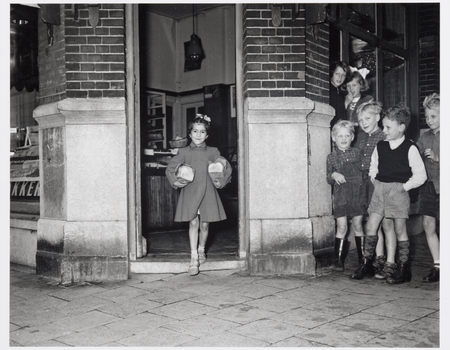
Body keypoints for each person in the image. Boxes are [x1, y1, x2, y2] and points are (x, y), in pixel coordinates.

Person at [350, 103, 427, 283]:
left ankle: (402, 268)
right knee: (371, 226)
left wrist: (403, 187)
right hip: (380, 190)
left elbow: (420, 176)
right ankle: (368, 263)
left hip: (398, 192)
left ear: (401, 127)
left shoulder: (410, 148)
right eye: (383, 126)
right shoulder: (381, 146)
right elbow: (373, 167)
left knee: (399, 229)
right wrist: (375, 180)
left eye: (388, 127)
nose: (384, 130)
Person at [165, 114, 232, 276]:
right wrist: (175, 181)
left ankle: (202, 249)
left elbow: (225, 166)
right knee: (193, 223)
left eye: (202, 132)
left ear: (207, 135)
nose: (198, 135)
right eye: (195, 131)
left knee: (205, 225)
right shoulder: (183, 151)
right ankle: (193, 257)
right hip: (191, 191)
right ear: (189, 134)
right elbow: (170, 169)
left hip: (208, 191)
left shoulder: (213, 151)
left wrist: (220, 180)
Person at [326, 120, 365, 271]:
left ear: (352, 137)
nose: (343, 139)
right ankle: (338, 260)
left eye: (347, 135)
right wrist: (334, 174)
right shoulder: (332, 156)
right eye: (340, 136)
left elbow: (363, 174)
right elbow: (328, 178)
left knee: (357, 225)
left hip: (356, 195)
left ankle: (363, 260)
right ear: (333, 137)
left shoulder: (357, 153)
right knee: (342, 227)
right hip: (341, 196)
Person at [354, 100, 387, 274]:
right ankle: (376, 261)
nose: (364, 123)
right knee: (374, 225)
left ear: (378, 117)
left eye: (367, 118)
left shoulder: (383, 137)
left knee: (378, 224)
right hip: (365, 185)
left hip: (378, 184)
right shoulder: (363, 141)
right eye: (360, 120)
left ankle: (381, 261)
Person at [417, 93, 440, 283]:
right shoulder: (424, 137)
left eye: (434, 116)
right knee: (428, 224)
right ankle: (438, 265)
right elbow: (413, 155)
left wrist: (438, 158)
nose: (429, 120)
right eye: (427, 117)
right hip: (428, 186)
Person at [344, 70, 373, 145]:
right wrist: (345, 104)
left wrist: (355, 124)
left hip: (363, 140)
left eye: (354, 85)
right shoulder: (343, 100)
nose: (351, 89)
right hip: (347, 140)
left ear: (361, 85)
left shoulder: (367, 100)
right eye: (348, 86)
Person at [329, 61, 349, 128]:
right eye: (337, 74)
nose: (340, 78)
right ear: (332, 73)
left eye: (343, 75)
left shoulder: (341, 92)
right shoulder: (328, 90)